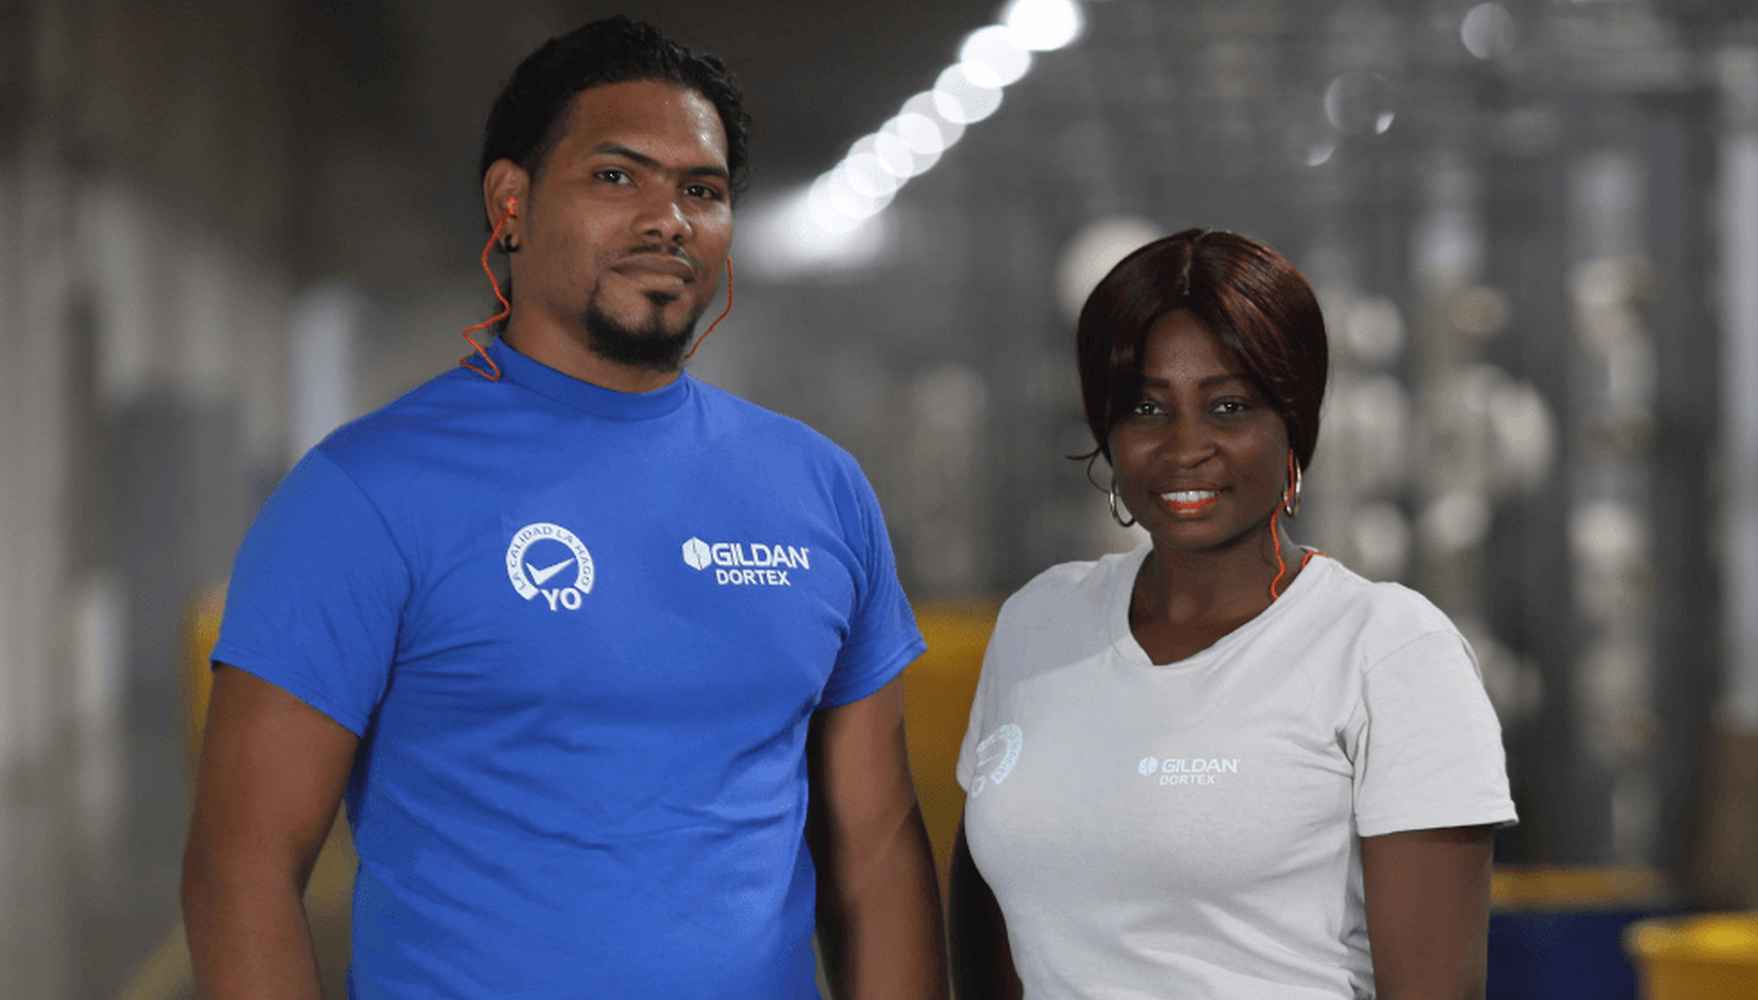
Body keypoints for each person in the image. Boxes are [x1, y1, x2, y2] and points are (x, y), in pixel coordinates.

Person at [181, 17, 947, 999]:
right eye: (617, 177)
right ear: (513, 203)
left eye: (701, 190)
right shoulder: (364, 494)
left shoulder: (819, 488)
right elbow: (239, 871)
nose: (668, 217)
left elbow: (876, 851)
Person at [948, 229, 1516, 1000]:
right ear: (1106, 431)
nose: (1188, 447)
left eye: (1229, 406)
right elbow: (989, 925)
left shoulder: (1388, 651)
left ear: (1294, 424)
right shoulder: (1038, 623)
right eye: (1147, 407)